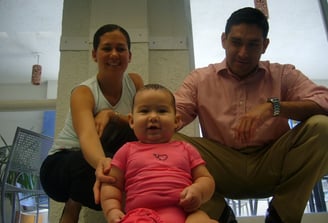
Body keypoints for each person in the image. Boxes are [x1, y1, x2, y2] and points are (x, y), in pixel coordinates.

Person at [172, 7, 328, 223]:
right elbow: (172, 115)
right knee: (164, 141)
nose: (243, 53)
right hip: (220, 167)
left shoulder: (283, 74)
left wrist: (274, 107)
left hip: (273, 162)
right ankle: (219, 215)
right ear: (224, 40)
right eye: (236, 42)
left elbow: (324, 102)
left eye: (253, 44)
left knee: (322, 126)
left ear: (265, 45)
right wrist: (132, 121)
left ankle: (281, 215)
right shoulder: (199, 79)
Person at [40, 24, 144, 223]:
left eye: (121, 49)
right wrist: (103, 164)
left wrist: (111, 115)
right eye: (107, 48)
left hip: (97, 160)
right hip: (61, 166)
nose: (114, 54)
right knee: (114, 172)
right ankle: (73, 204)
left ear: (129, 56)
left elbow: (142, 123)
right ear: (95, 54)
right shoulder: (83, 92)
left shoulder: (135, 83)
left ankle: (75, 201)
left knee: (133, 138)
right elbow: (87, 135)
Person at [100, 84, 217, 223]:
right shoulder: (127, 150)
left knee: (201, 220)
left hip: (185, 213)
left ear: (176, 121)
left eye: (162, 111)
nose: (153, 117)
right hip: (141, 214)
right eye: (144, 111)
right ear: (131, 121)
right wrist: (112, 210)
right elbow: (112, 184)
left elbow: (206, 178)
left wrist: (198, 191)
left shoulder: (186, 149)